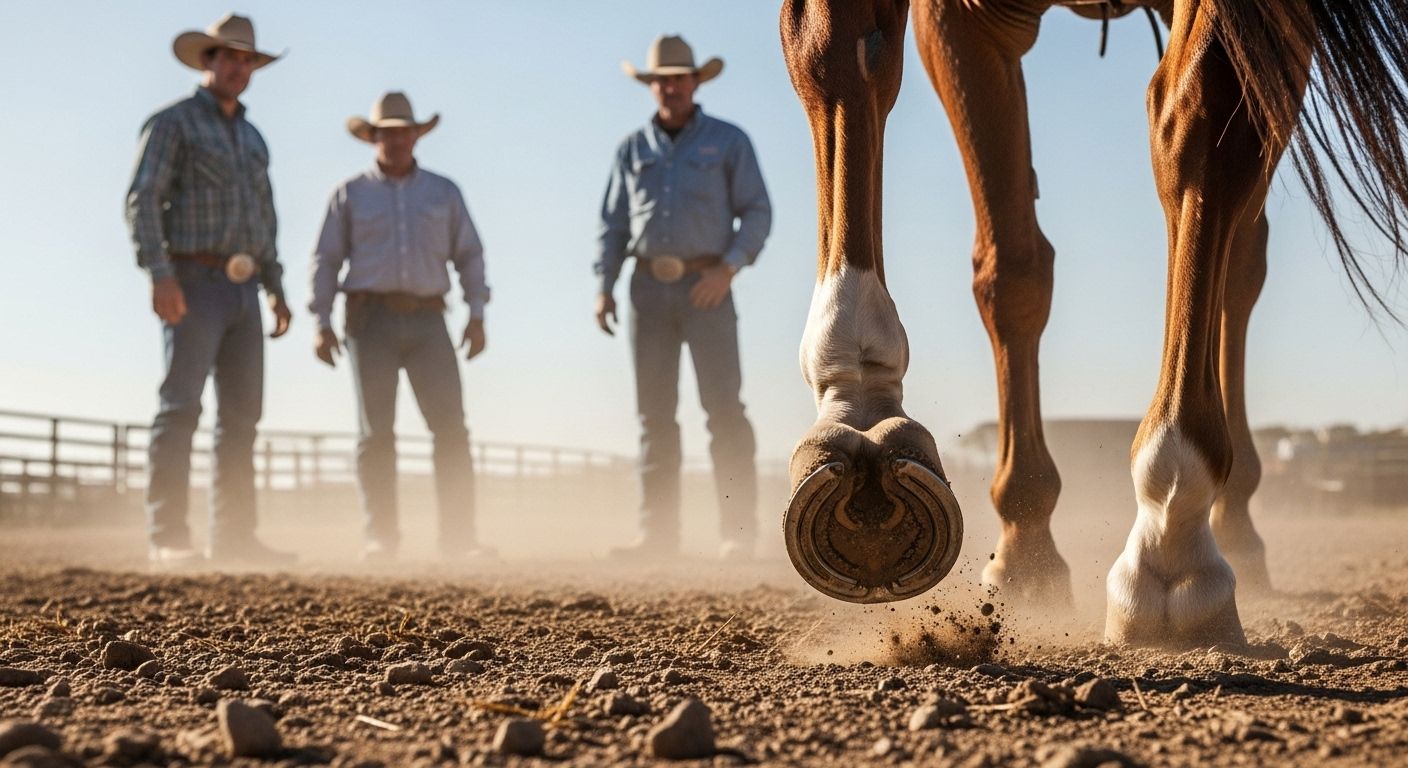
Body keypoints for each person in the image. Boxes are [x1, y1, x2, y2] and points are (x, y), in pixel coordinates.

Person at [595, 35, 772, 560]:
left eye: (678, 77)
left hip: (707, 290)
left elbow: (758, 212)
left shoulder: (729, 141)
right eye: (660, 79)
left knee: (723, 410)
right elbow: (613, 224)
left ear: (696, 82)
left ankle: (737, 533)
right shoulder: (631, 149)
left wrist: (728, 268)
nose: (669, 86)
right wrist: (603, 287)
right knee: (654, 415)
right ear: (651, 86)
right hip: (646, 288)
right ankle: (658, 534)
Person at [126, 13, 294, 568]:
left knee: (242, 419)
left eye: (248, 59)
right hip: (192, 281)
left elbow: (263, 217)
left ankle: (235, 537)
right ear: (208, 60)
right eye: (230, 57)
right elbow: (144, 197)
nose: (239, 67)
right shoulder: (172, 124)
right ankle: (167, 535)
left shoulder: (254, 137)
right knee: (181, 408)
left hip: (245, 289)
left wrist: (275, 286)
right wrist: (160, 273)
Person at [310, 92, 491, 563]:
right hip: (370, 321)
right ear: (373, 138)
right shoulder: (349, 194)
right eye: (385, 132)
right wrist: (321, 321)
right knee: (376, 432)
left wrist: (477, 313)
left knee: (451, 428)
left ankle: (459, 538)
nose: (395, 139)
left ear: (416, 135)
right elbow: (327, 259)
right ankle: (381, 538)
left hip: (431, 319)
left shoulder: (444, 192)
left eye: (403, 130)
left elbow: (469, 253)